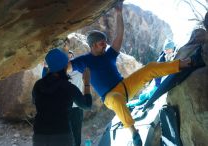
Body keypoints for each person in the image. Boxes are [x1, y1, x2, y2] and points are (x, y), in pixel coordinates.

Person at [67, 2, 202, 145]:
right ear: (93, 45)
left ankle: (189, 62)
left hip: (126, 86)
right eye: (102, 43)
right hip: (110, 96)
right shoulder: (83, 61)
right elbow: (65, 68)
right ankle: (135, 135)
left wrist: (119, 12)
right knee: (116, 99)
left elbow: (119, 35)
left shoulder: (109, 55)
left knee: (150, 68)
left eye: (105, 42)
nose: (105, 44)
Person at [32, 48, 92, 146]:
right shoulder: (68, 87)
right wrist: (86, 82)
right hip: (61, 135)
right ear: (65, 66)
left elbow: (34, 101)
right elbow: (87, 105)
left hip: (40, 134)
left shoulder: (38, 85)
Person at [128, 40, 176, 107]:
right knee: (147, 97)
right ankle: (129, 104)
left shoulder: (168, 55)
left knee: (148, 95)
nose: (167, 51)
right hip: (158, 84)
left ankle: (139, 98)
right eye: (166, 49)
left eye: (168, 49)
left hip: (158, 82)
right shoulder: (162, 59)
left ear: (172, 49)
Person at [68, 50, 85, 146]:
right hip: (64, 108)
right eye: (67, 57)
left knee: (77, 134)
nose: (69, 59)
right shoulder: (59, 72)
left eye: (71, 57)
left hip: (78, 107)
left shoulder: (79, 70)